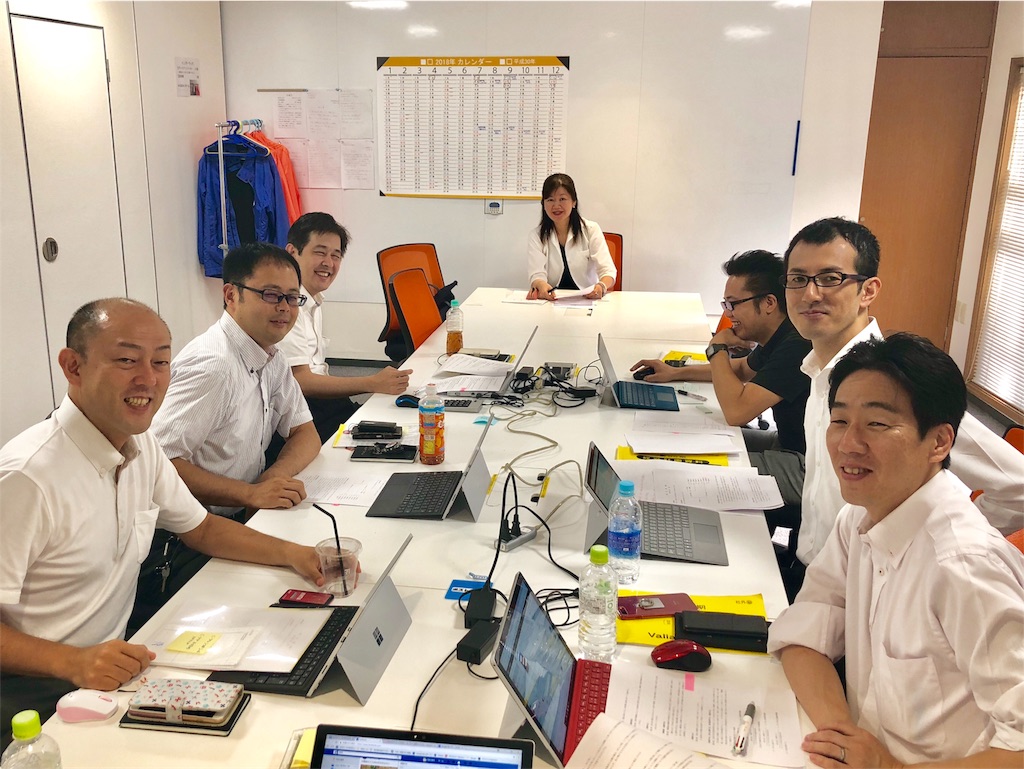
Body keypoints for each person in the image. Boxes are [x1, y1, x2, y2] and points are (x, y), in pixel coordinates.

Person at [0, 298, 324, 743]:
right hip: (36, 689)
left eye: (160, 362)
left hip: (113, 668)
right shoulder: (27, 478)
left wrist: (297, 554)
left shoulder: (140, 444)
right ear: (73, 367)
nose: (148, 379)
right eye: (126, 360)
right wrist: (72, 662)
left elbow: (202, 529)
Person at [767, 333, 1024, 768]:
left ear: (939, 442)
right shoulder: (861, 516)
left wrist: (887, 767)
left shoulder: (964, 566)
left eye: (878, 424)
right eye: (840, 420)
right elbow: (802, 635)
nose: (849, 443)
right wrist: (841, 740)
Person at [784, 217, 1023, 594]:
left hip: (874, 596)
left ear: (868, 290)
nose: (810, 294)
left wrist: (932, 557)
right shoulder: (818, 370)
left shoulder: (901, 383)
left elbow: (1017, 487)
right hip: (819, 579)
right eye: (798, 278)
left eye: (830, 278)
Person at [140, 243, 321, 621]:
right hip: (184, 539)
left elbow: (306, 433)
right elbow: (158, 465)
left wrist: (273, 478)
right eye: (270, 294)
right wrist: (250, 493)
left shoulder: (270, 353)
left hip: (239, 516)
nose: (285, 307)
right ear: (231, 295)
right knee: (288, 609)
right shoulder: (213, 365)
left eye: (292, 297)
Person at [631, 250, 810, 509]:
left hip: (806, 468)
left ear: (769, 303)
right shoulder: (780, 334)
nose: (728, 314)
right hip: (786, 442)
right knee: (685, 441)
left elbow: (736, 412)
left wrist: (717, 348)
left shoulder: (797, 345)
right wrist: (675, 372)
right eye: (725, 305)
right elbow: (742, 369)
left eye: (733, 304)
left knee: (689, 469)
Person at [277, 212, 412, 445]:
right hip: (301, 414)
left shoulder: (312, 299)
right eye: (320, 252)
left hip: (320, 404)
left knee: (400, 428)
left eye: (335, 255)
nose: (328, 263)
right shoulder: (286, 305)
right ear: (292, 252)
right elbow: (300, 381)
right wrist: (371, 382)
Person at [527, 173, 616, 300]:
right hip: (552, 300)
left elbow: (608, 270)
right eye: (550, 200)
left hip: (587, 299)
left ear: (574, 202)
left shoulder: (591, 229)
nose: (556, 205)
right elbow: (536, 274)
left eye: (562, 199)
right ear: (544, 204)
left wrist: (601, 286)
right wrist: (541, 285)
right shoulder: (536, 235)